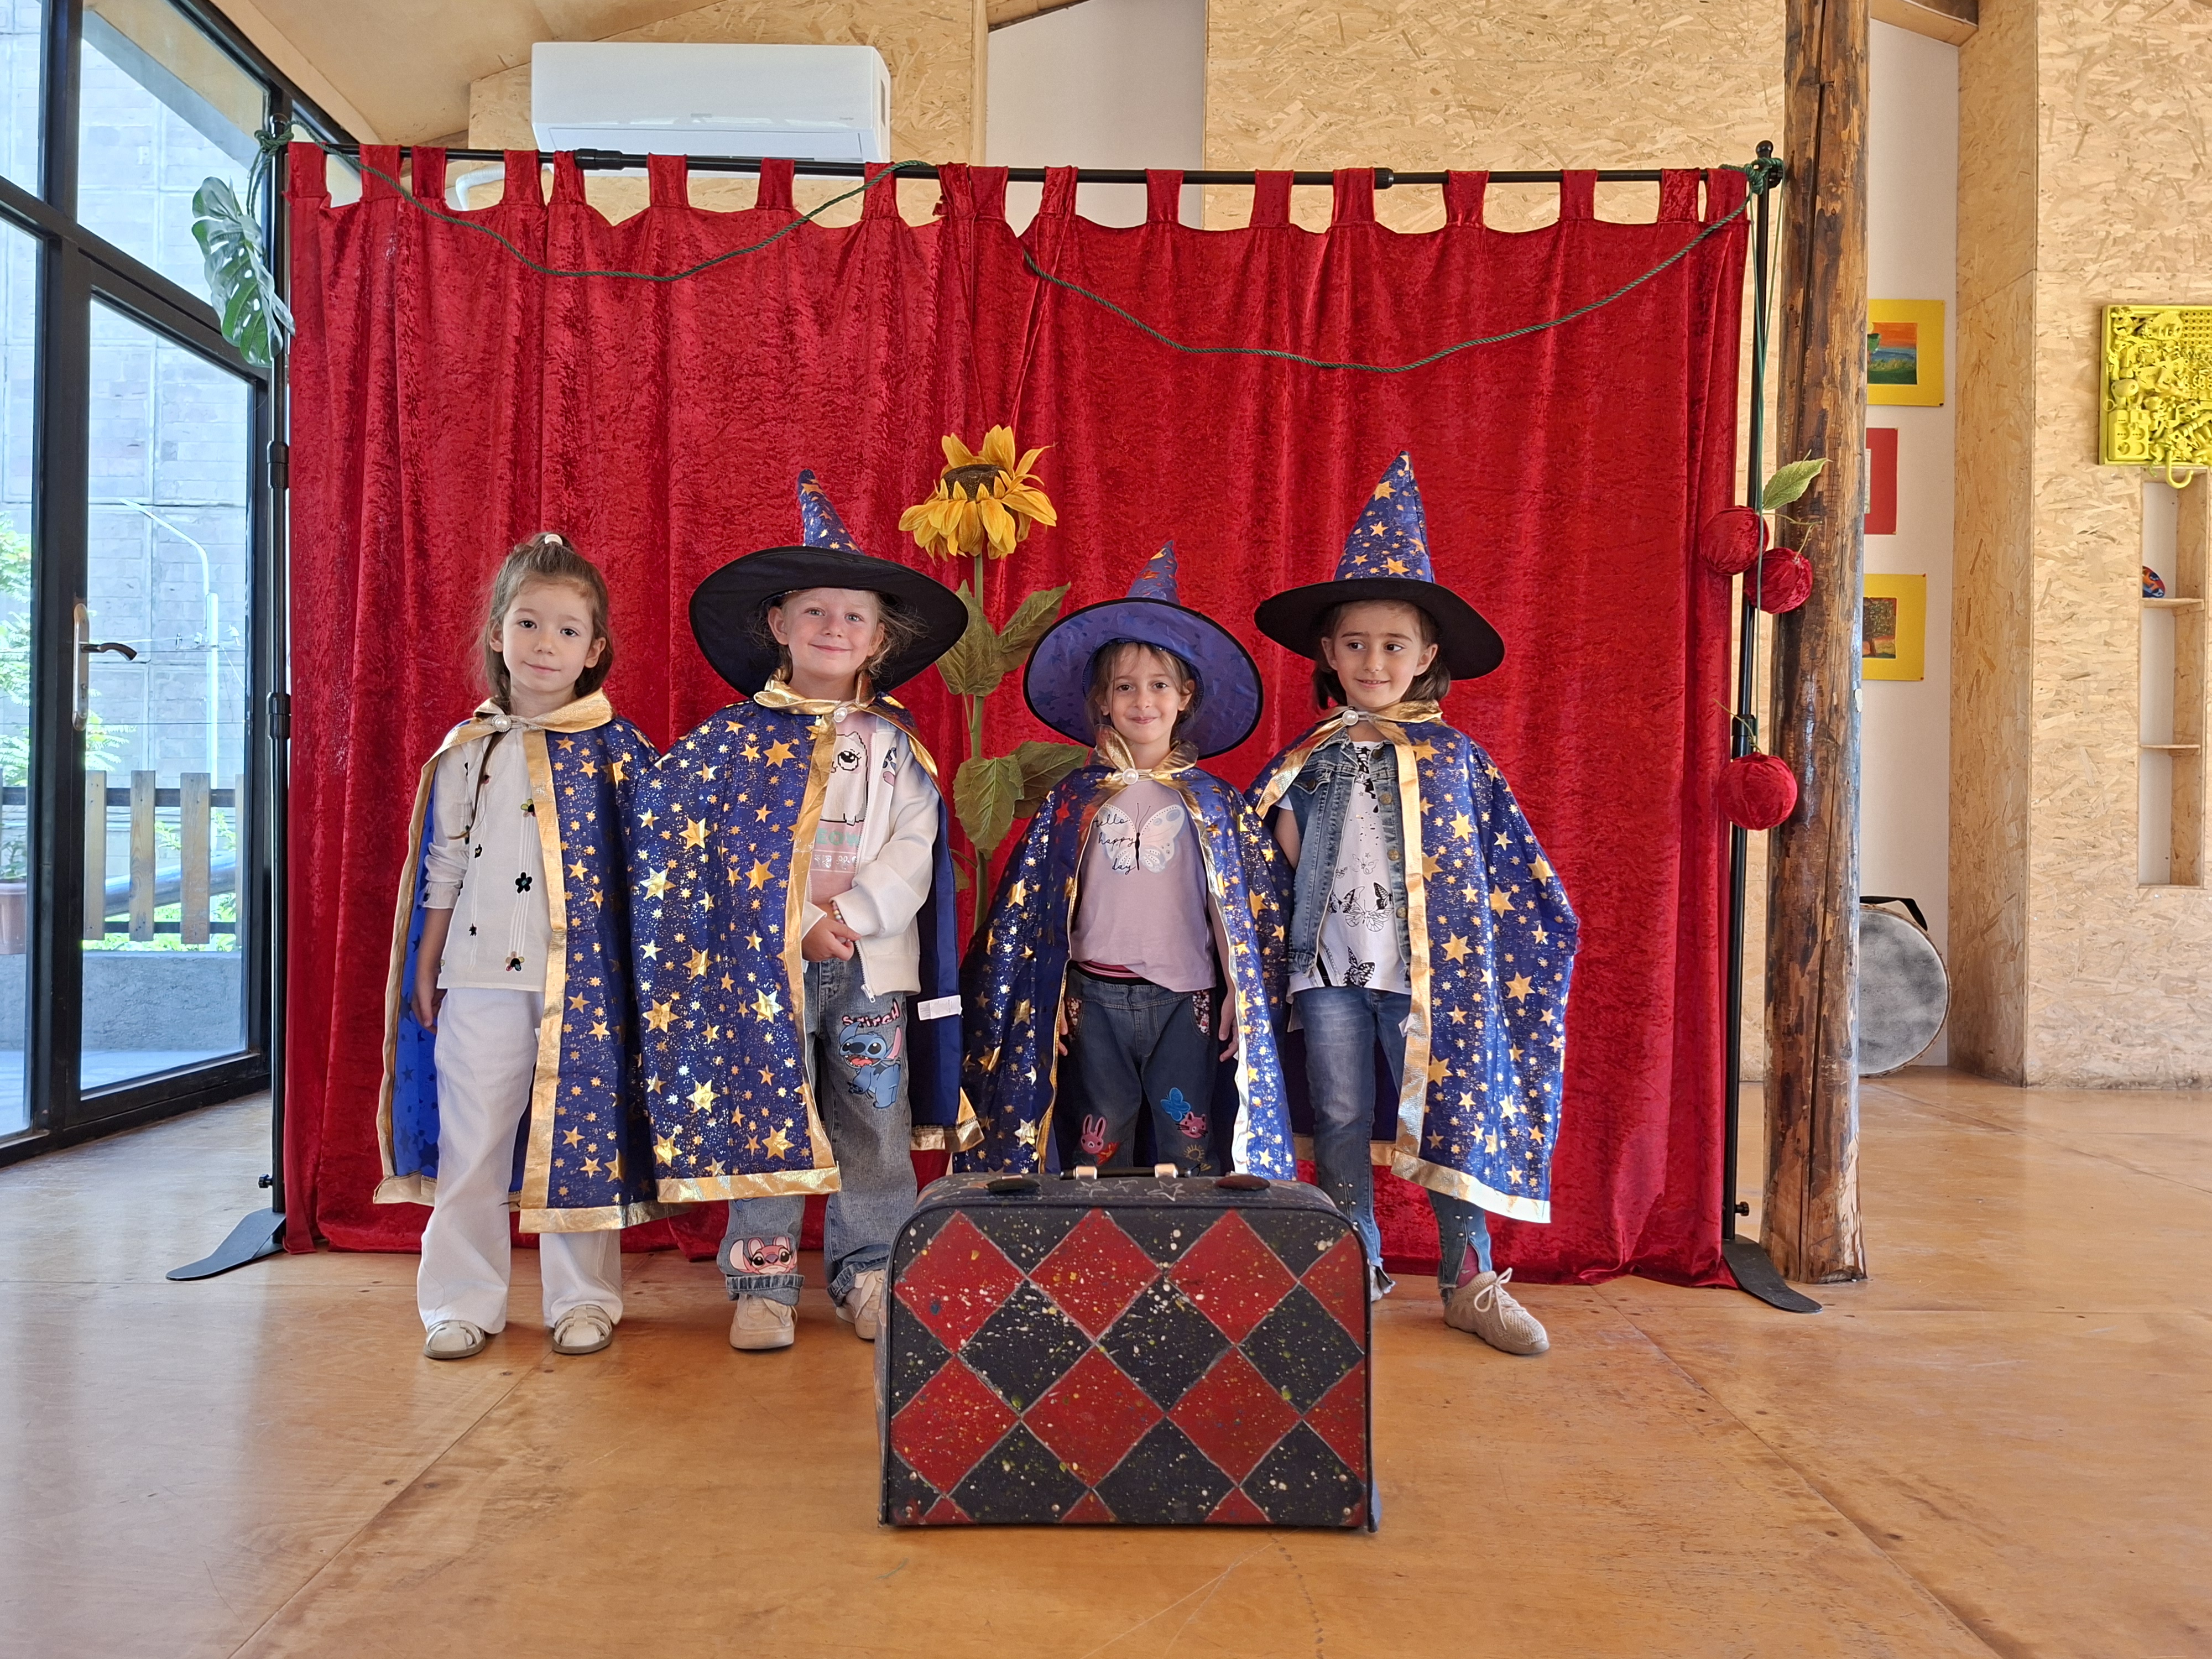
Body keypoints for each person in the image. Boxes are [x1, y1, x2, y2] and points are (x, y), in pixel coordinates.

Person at [630, 472, 969, 1353]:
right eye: (814, 612)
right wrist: (787, 923)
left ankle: (871, 1271)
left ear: (879, 639)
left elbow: (915, 847)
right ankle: (763, 1278)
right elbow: (690, 850)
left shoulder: (896, 747)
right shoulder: (733, 743)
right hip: (760, 968)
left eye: (854, 617)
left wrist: (848, 916)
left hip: (869, 965)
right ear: (778, 626)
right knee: (765, 1107)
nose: (833, 629)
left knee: (872, 1116)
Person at [1249, 454, 1578, 1354]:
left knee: (1449, 1113)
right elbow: (1269, 853)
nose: (1373, 661)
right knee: (1344, 1117)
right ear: (1328, 653)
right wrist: (1280, 834)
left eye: (1394, 645)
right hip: (1328, 973)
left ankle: (1469, 1276)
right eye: (1354, 644)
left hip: (1431, 978)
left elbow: (1498, 871)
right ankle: (1353, 1261)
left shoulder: (1458, 764)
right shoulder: (1307, 754)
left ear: (1428, 657)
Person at [377, 532, 664, 1362]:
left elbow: (650, 876)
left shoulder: (618, 752)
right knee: (475, 1142)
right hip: (478, 976)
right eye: (529, 624)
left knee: (583, 1137)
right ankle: (462, 1299)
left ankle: (585, 1297)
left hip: (585, 986)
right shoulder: (474, 748)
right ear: (498, 632)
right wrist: (426, 962)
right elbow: (446, 862)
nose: (546, 645)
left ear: (595, 649)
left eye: (568, 631)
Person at [966, 544, 1292, 1178]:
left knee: (1187, 1139)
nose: (1142, 701)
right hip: (1094, 997)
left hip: (1186, 1000)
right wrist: (1048, 994)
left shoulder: (1213, 801)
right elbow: (1040, 912)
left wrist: (1237, 994)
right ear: (1104, 701)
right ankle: (1102, 1263)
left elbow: (1228, 904)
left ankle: (1184, 1263)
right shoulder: (1073, 799)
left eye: (1159, 685)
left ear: (1184, 695)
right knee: (1098, 1141)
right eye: (1125, 687)